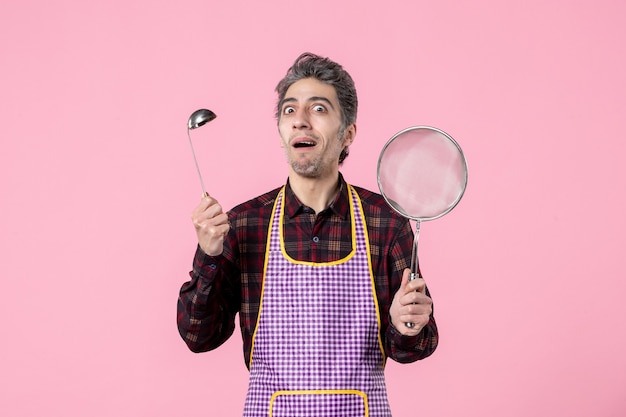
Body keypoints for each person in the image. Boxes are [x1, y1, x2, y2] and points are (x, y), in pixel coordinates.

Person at [177, 52, 438, 416]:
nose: (300, 121)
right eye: (289, 110)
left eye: (318, 109)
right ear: (281, 133)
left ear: (348, 133)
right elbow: (198, 337)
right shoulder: (244, 224)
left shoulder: (386, 222)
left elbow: (415, 347)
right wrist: (208, 255)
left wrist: (405, 323)